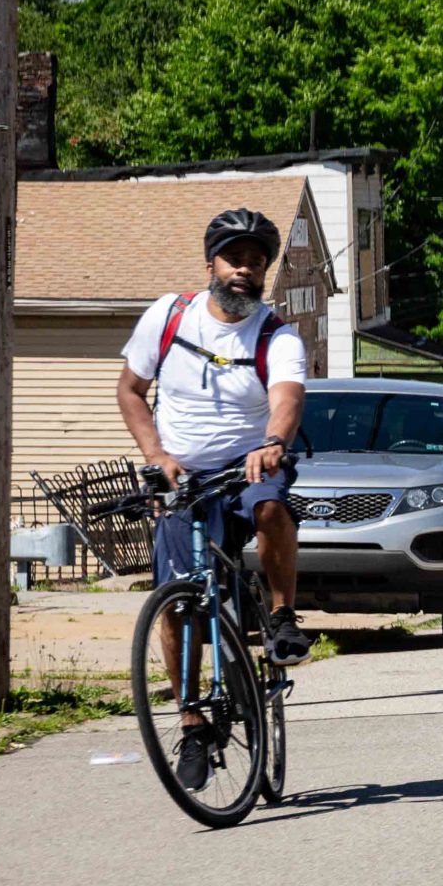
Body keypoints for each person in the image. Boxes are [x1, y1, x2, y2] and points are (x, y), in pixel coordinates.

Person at [116, 208, 310, 791]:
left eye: (256, 261)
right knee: (175, 605)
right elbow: (129, 390)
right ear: (211, 265)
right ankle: (193, 720)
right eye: (234, 258)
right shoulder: (169, 316)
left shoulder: (277, 334)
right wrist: (155, 455)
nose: (244, 270)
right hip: (182, 475)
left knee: (272, 506)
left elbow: (287, 397)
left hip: (250, 463)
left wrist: (273, 442)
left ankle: (280, 617)